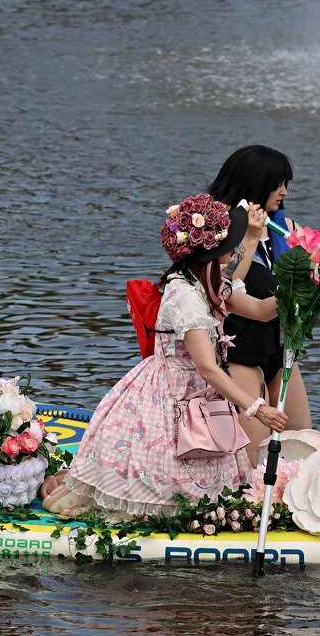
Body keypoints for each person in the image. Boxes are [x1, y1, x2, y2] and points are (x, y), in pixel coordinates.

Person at [43, 195, 288, 519]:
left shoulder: (208, 283)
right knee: (160, 484)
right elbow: (208, 368)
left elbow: (258, 311)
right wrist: (257, 409)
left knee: (209, 482)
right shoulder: (185, 296)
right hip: (171, 396)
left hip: (199, 396)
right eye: (230, 242)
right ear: (211, 252)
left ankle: (202, 515)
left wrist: (296, 293)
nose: (236, 247)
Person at [207, 145, 320, 464]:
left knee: (306, 447)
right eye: (278, 183)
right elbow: (225, 284)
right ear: (254, 183)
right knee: (255, 460)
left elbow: (317, 282)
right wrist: (250, 236)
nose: (284, 191)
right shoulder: (218, 230)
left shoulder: (285, 229)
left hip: (281, 348)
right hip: (240, 353)